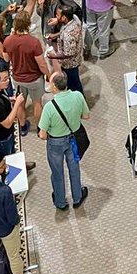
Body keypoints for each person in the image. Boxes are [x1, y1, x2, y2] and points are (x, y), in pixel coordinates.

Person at [37, 71, 89, 211]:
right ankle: (77, 197)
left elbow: (42, 135)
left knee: (57, 171)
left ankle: (60, 202)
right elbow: (86, 116)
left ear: (54, 87)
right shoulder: (77, 96)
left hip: (55, 143)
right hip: (73, 138)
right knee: (74, 168)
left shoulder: (49, 106)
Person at [3, 8, 49, 129]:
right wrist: (48, 75)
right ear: (28, 25)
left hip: (17, 78)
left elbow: (6, 59)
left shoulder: (7, 41)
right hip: (34, 79)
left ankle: (22, 126)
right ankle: (40, 127)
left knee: (20, 103)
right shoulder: (34, 42)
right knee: (37, 103)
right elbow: (42, 64)